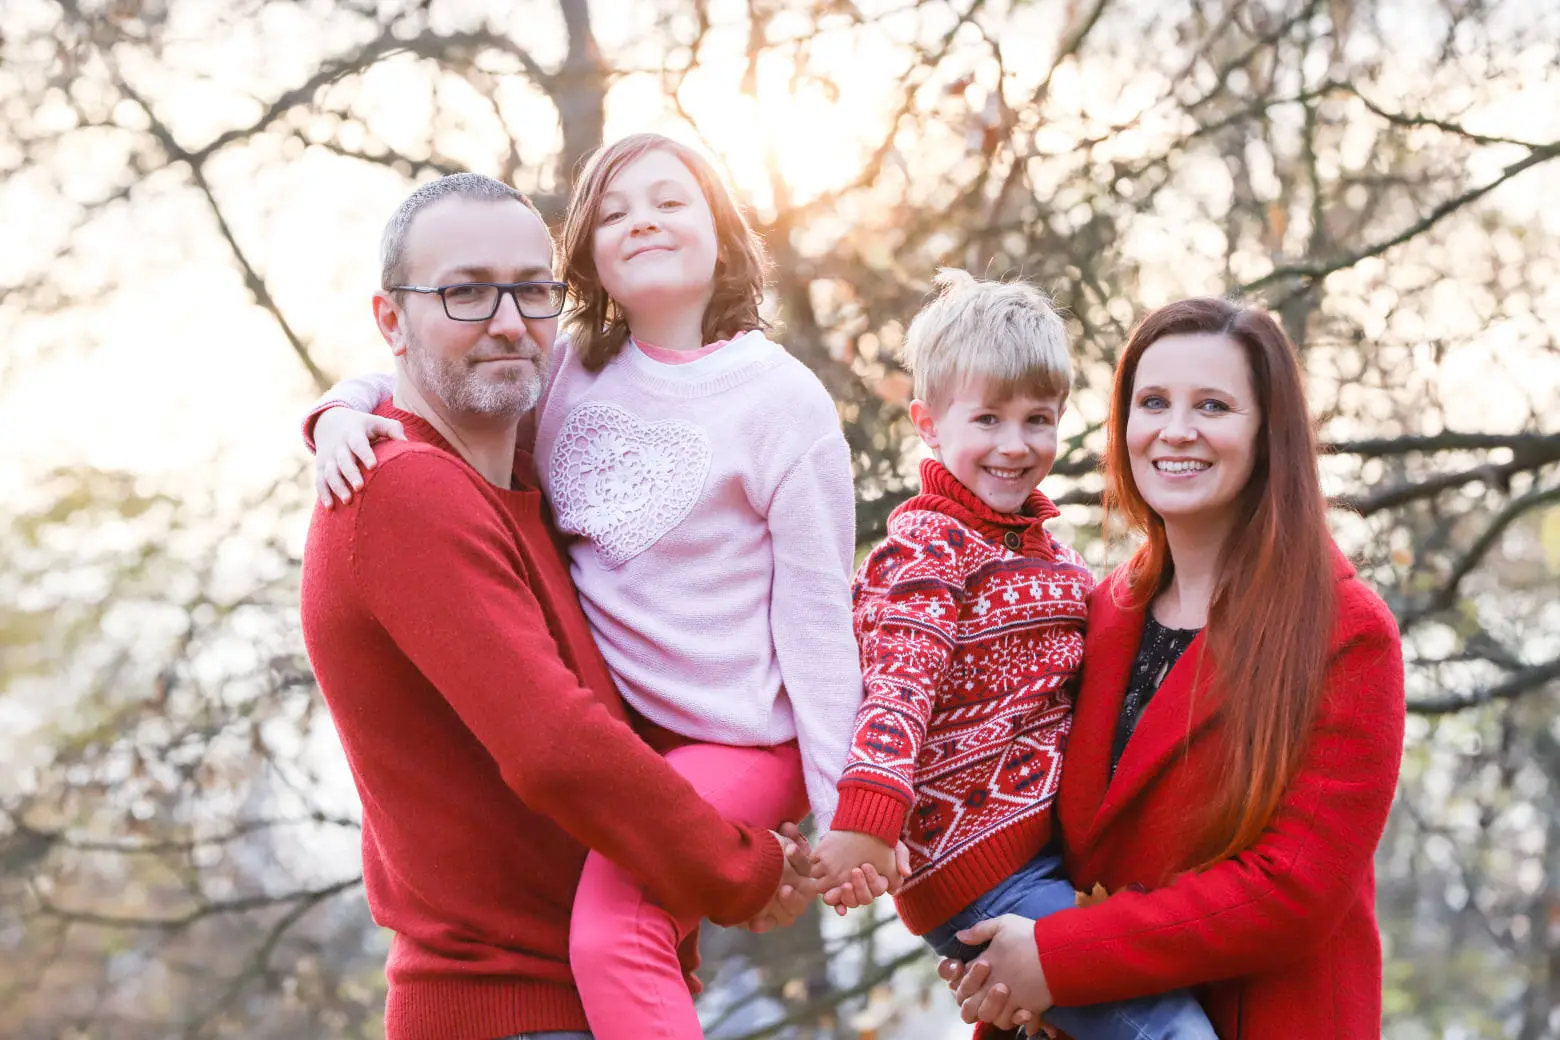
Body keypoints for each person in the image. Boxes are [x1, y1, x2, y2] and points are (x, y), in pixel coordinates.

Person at [305, 138, 872, 1040]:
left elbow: (816, 617)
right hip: (508, 1007)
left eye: (530, 290)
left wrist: (844, 807)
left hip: (585, 987)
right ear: (391, 318)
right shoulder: (404, 488)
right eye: (464, 292)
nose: (506, 321)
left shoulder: (528, 481)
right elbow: (557, 748)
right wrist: (741, 871)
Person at [939, 298, 1406, 1039]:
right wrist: (995, 953)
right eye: (1153, 402)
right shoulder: (1099, 611)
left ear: (1268, 433)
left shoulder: (1347, 633)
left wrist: (1061, 957)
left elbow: (1293, 890)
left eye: (1212, 405)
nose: (1176, 430)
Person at [808, 271, 1218, 1040]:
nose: (1014, 445)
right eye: (988, 419)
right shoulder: (927, 552)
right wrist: (868, 820)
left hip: (1039, 855)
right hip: (977, 867)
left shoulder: (1054, 562)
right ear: (929, 425)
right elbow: (899, 687)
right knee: (1170, 1030)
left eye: (1037, 419)